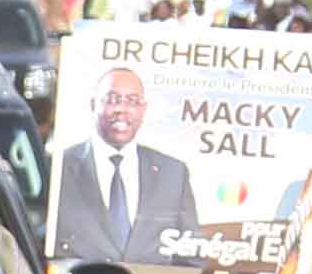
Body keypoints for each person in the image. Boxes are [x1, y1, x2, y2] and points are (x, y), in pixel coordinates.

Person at [47, 55, 200, 262]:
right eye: (112, 100)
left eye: (132, 101)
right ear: (93, 105)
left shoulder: (173, 173)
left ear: (143, 110)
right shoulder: (58, 168)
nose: (122, 110)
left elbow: (190, 255)